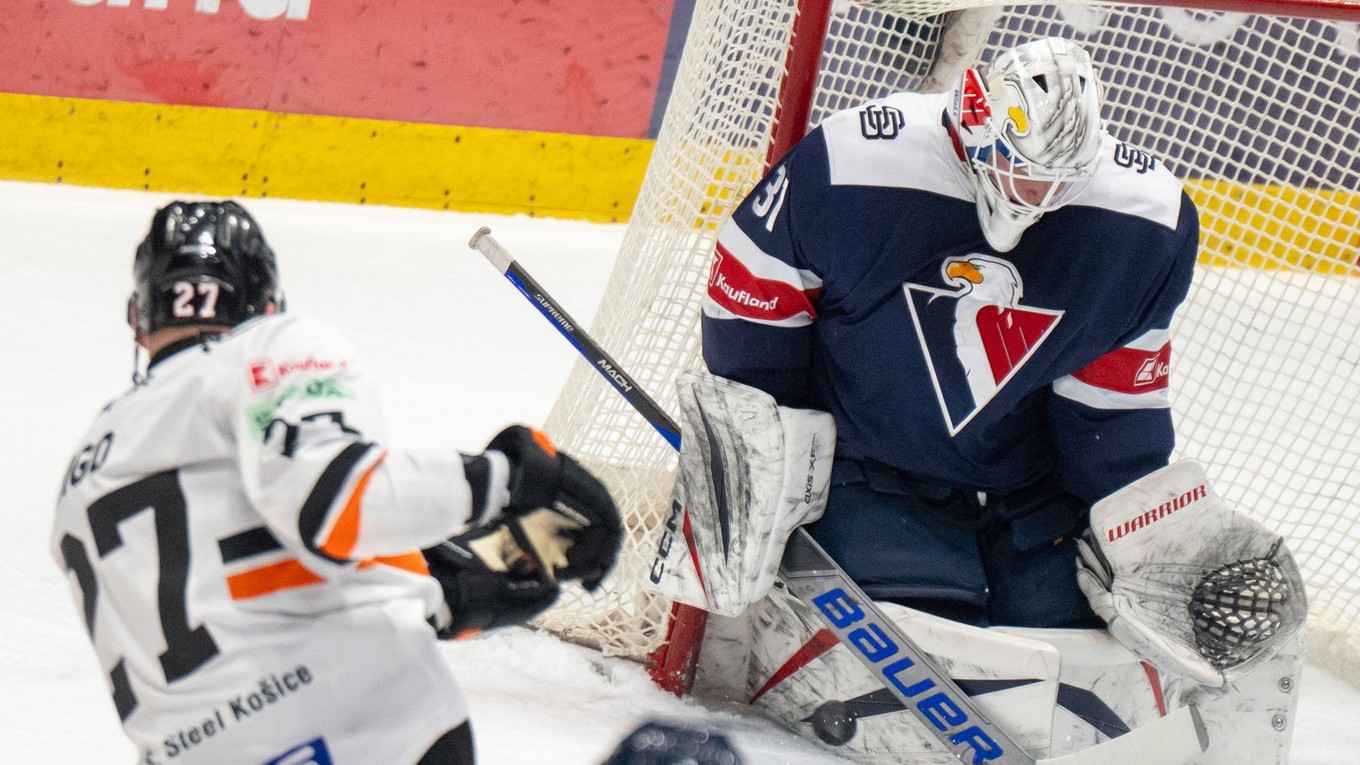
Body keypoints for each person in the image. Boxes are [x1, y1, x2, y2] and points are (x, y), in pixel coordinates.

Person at [51, 200, 622, 765]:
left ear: (139, 317)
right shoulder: (267, 348)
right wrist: (508, 481)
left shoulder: (84, 474)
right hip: (369, 737)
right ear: (266, 304)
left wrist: (439, 596)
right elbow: (338, 503)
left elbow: (231, 596)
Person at [701, 35, 1198, 630]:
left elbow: (1112, 407)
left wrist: (1130, 523)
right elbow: (753, 309)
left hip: (1024, 491)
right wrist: (774, 453)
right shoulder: (856, 162)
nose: (1037, 197)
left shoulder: (1146, 223)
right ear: (977, 125)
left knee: (1078, 631)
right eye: (1022, 170)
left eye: (1059, 181)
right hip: (865, 469)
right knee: (921, 625)